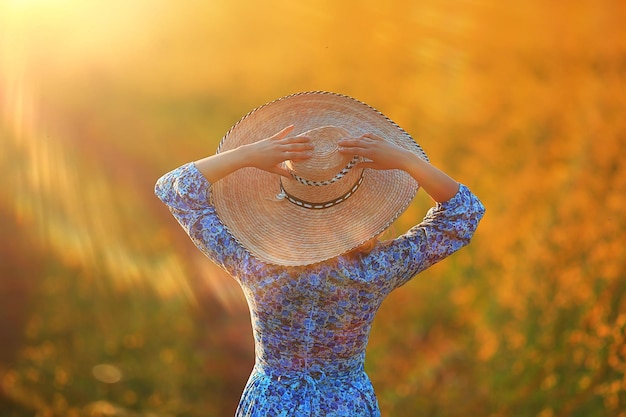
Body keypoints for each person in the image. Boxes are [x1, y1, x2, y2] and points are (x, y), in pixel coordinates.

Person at [155, 91, 485, 416]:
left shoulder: (255, 263)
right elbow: (463, 214)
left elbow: (175, 188)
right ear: (360, 205)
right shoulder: (374, 269)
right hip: (347, 406)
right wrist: (407, 161)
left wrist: (245, 155)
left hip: (271, 405)